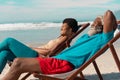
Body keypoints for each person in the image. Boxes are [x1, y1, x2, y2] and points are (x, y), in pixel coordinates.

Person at [2, 10, 117, 80]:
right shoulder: (86, 38)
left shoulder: (104, 38)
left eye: (98, 21)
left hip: (64, 64)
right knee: (13, 59)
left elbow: (108, 14)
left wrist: (105, 22)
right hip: (55, 60)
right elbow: (93, 29)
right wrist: (96, 25)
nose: (94, 21)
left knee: (18, 62)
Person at [0, 18, 79, 74]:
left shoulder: (64, 39)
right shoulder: (61, 38)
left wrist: (29, 49)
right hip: (34, 54)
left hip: (37, 57)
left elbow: (48, 52)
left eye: (64, 26)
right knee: (5, 53)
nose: (61, 27)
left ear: (70, 30)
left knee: (9, 41)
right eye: (62, 25)